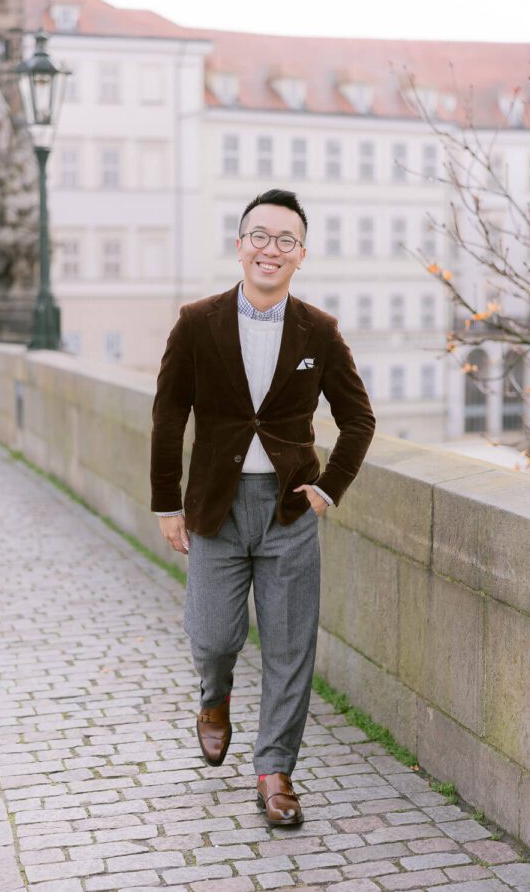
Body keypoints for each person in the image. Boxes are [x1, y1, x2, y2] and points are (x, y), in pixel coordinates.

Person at [151, 188, 375, 826]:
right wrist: (167, 501)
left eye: (285, 240)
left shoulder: (320, 331)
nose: (270, 249)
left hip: (288, 512)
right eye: (260, 236)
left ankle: (275, 772)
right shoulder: (197, 322)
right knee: (214, 635)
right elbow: (169, 415)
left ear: (301, 255)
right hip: (214, 510)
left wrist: (328, 488)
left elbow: (358, 420)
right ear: (240, 243)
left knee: (288, 647)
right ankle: (213, 697)